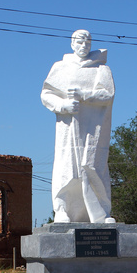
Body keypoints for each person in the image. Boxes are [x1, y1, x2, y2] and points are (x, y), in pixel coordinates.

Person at [41, 29, 116, 223]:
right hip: (68, 129)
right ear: (72, 44)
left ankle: (101, 212)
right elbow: (46, 94)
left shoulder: (101, 69)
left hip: (93, 130)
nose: (84, 46)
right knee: (67, 167)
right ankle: (62, 208)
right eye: (79, 42)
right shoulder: (61, 67)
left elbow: (108, 95)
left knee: (94, 167)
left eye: (87, 42)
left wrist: (84, 95)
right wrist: (63, 105)